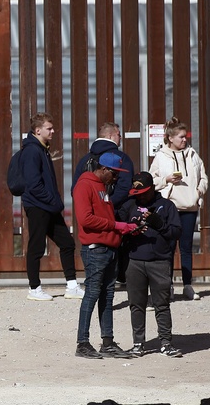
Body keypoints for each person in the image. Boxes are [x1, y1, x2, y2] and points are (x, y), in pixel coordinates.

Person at [73, 152, 135, 359]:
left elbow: (101, 217)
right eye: (115, 173)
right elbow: (86, 219)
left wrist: (120, 229)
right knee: (92, 293)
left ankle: (107, 342)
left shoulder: (102, 188)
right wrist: (116, 225)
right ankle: (82, 343)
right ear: (104, 169)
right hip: (95, 248)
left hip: (109, 247)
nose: (117, 178)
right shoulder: (85, 185)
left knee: (107, 296)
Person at [17, 113, 83, 301]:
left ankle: (72, 286)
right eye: (49, 128)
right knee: (36, 247)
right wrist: (52, 201)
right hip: (38, 206)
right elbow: (33, 184)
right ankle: (34, 289)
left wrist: (53, 202)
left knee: (67, 243)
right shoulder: (32, 150)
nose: (53, 131)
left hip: (48, 206)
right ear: (38, 130)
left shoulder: (41, 148)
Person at [117, 172, 183, 358]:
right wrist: (131, 229)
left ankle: (166, 343)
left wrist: (159, 224)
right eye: (137, 193)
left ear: (153, 189)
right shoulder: (129, 205)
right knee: (136, 304)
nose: (141, 196)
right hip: (134, 261)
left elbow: (176, 232)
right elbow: (118, 228)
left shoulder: (167, 206)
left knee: (162, 304)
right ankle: (138, 343)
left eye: (144, 192)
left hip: (159, 262)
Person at [148, 116, 208, 301]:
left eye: (185, 136)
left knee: (186, 247)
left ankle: (188, 285)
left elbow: (204, 177)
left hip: (189, 206)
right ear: (170, 138)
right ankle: (169, 286)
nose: (184, 139)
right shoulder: (161, 156)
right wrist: (166, 180)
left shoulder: (192, 154)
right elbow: (151, 180)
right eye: (181, 137)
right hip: (170, 207)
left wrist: (199, 191)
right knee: (168, 248)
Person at [71, 122, 136, 285]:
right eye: (119, 134)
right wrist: (106, 205)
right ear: (110, 136)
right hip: (115, 212)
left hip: (92, 217)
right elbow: (125, 187)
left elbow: (75, 188)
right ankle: (119, 278)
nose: (120, 138)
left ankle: (97, 280)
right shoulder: (121, 158)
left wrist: (93, 206)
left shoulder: (85, 159)